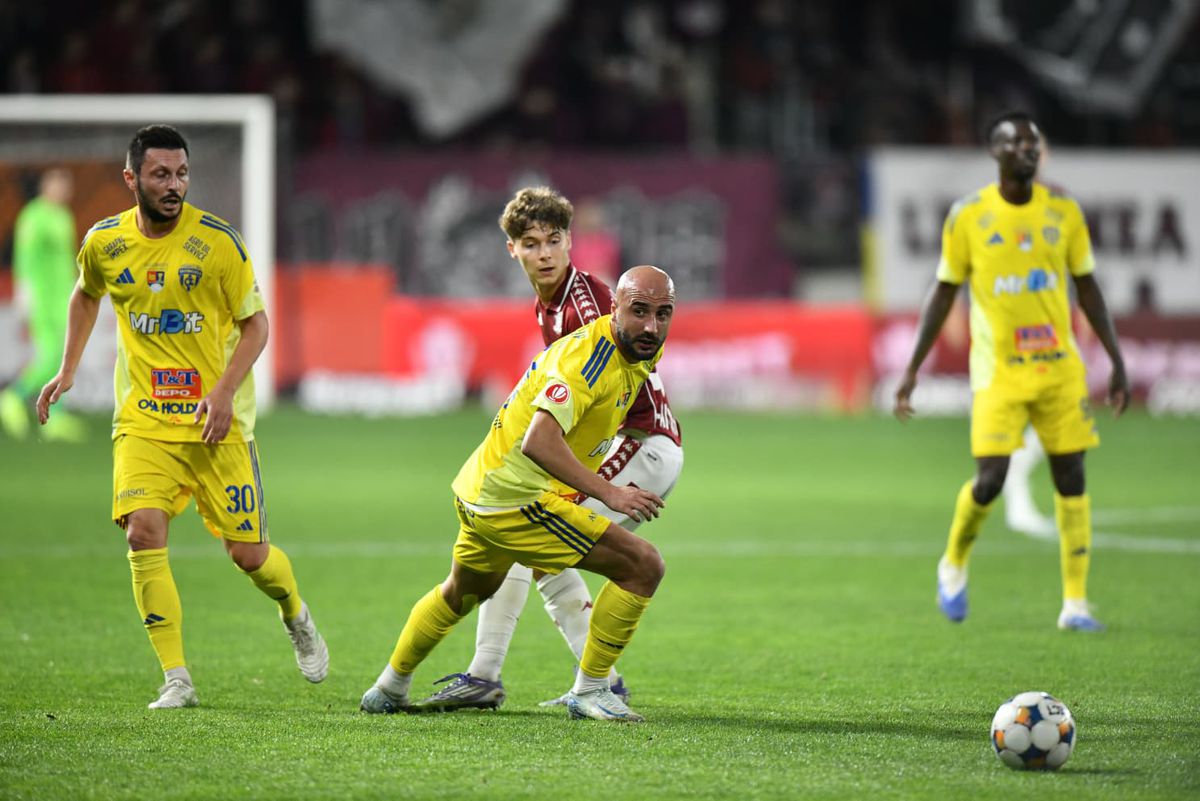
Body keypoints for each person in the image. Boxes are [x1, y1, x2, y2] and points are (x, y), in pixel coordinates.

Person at [36, 124, 328, 708]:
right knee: (143, 531)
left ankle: (294, 612)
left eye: (182, 174)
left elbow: (256, 325)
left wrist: (223, 393)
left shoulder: (218, 244)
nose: (174, 185)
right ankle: (177, 677)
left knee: (249, 556)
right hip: (144, 419)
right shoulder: (104, 242)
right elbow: (85, 294)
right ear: (131, 179)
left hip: (216, 423)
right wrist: (67, 370)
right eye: (161, 175)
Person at [361, 265, 676, 723]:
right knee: (643, 565)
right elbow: (539, 441)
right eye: (639, 311)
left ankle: (389, 687)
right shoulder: (589, 361)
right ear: (614, 308)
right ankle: (592, 690)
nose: (651, 326)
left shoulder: (640, 350)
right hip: (516, 500)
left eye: (662, 314)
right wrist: (610, 492)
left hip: (481, 488)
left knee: (464, 591)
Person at [413, 187, 684, 713]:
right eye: (531, 243)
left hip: (640, 443)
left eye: (554, 241)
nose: (544, 254)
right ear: (512, 249)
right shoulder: (552, 304)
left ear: (569, 243)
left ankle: (492, 676)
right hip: (623, 443)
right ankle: (595, 682)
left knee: (525, 528)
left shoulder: (586, 305)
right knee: (536, 544)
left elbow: (607, 393)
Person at [893, 111, 1129, 632]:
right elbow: (944, 291)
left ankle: (1075, 604)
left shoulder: (1063, 211)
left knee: (1072, 476)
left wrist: (1115, 359)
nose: (1027, 149)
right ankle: (953, 563)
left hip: (1059, 369)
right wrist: (912, 368)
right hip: (998, 372)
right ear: (994, 152)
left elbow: (1087, 286)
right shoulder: (969, 216)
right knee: (991, 479)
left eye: (1033, 142)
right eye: (1016, 142)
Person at [1, 168, 85, 442]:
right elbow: (24, 255)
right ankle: (14, 396)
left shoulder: (64, 216)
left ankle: (54, 416)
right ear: (44, 186)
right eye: (58, 184)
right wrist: (24, 291)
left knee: (62, 358)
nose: (63, 189)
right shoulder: (33, 216)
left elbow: (66, 256)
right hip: (42, 299)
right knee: (49, 355)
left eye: (66, 184)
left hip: (63, 298)